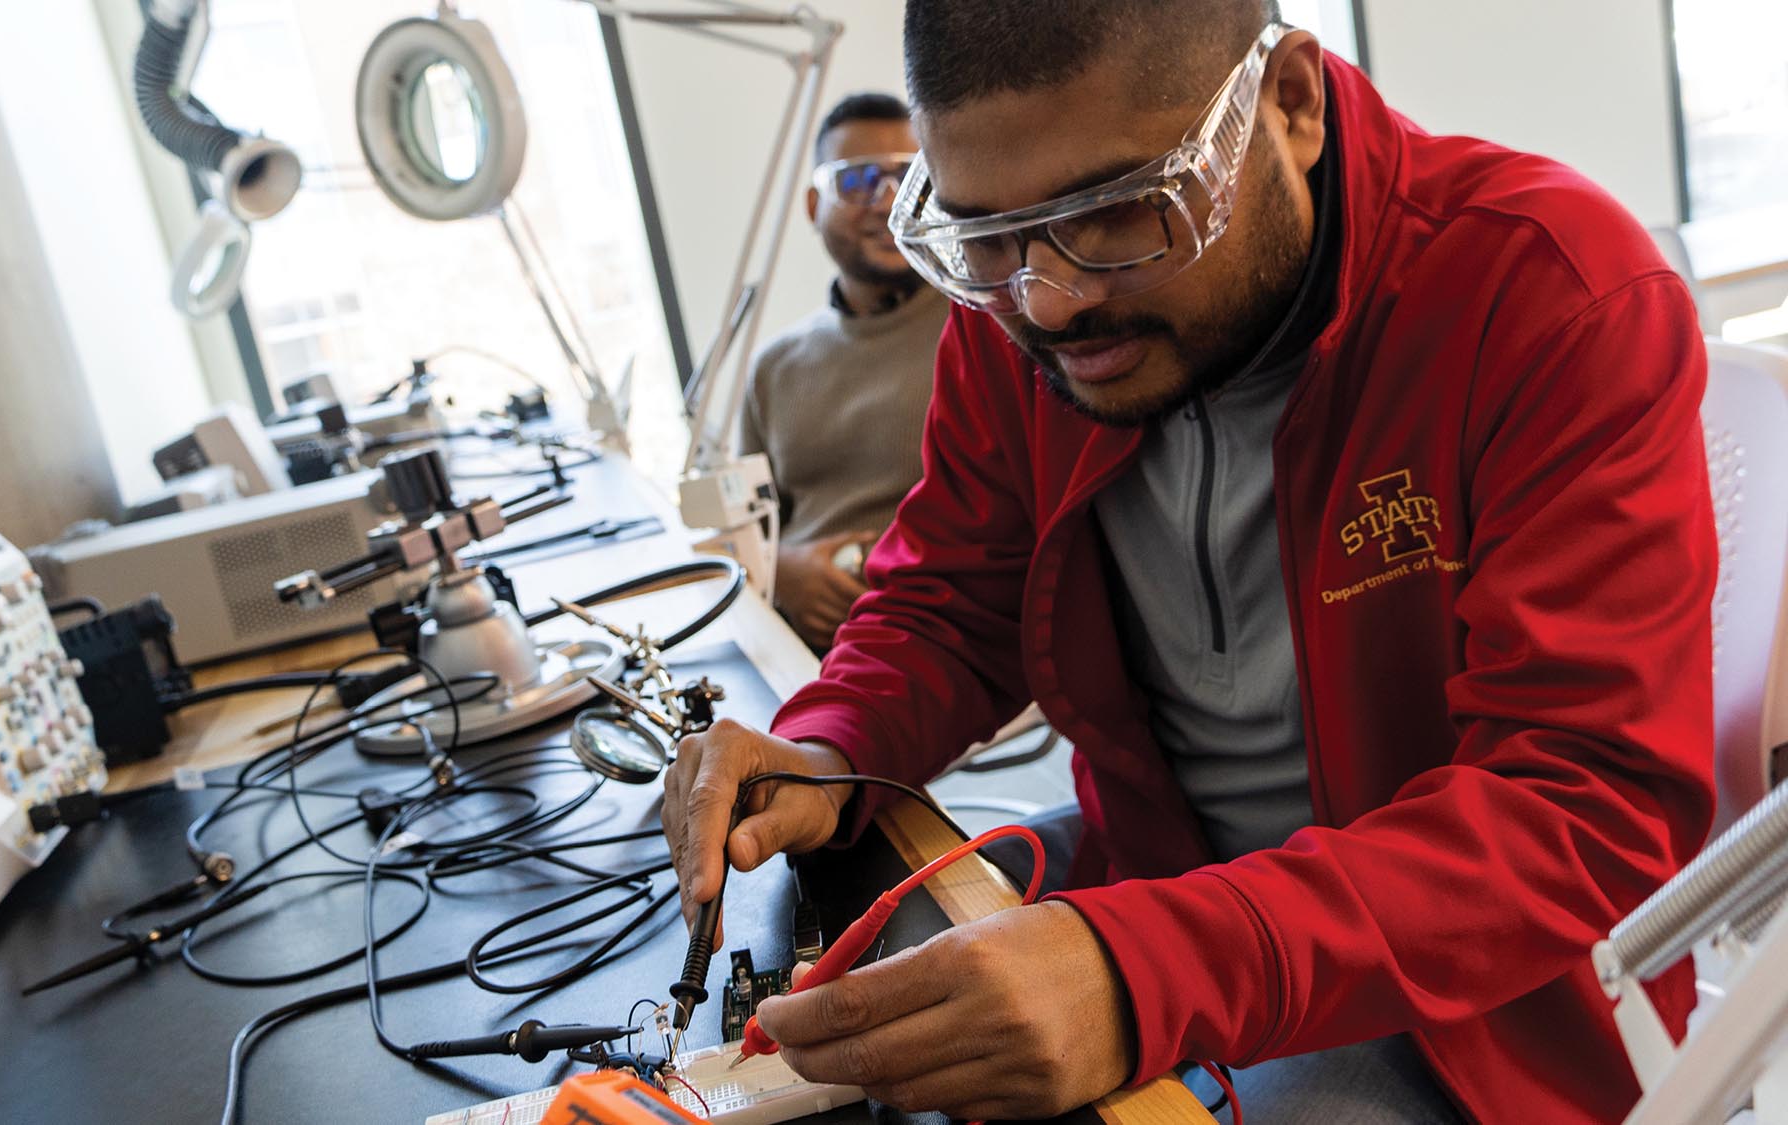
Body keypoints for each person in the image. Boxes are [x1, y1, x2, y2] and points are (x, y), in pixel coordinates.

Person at [664, 2, 1715, 1122]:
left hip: (1464, 1006)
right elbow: (953, 600)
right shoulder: (1020, 295)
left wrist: (1134, 970)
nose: (1050, 299)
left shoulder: (1546, 291)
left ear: (1290, 105)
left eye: (1116, 216)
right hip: (1157, 866)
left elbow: (1577, 808)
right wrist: (828, 743)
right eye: (985, 238)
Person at [738, 92, 951, 652]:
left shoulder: (984, 331)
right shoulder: (774, 367)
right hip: (788, 650)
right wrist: (782, 572)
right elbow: (738, 532)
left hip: (928, 647)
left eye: (907, 177)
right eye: (857, 182)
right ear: (814, 204)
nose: (886, 201)